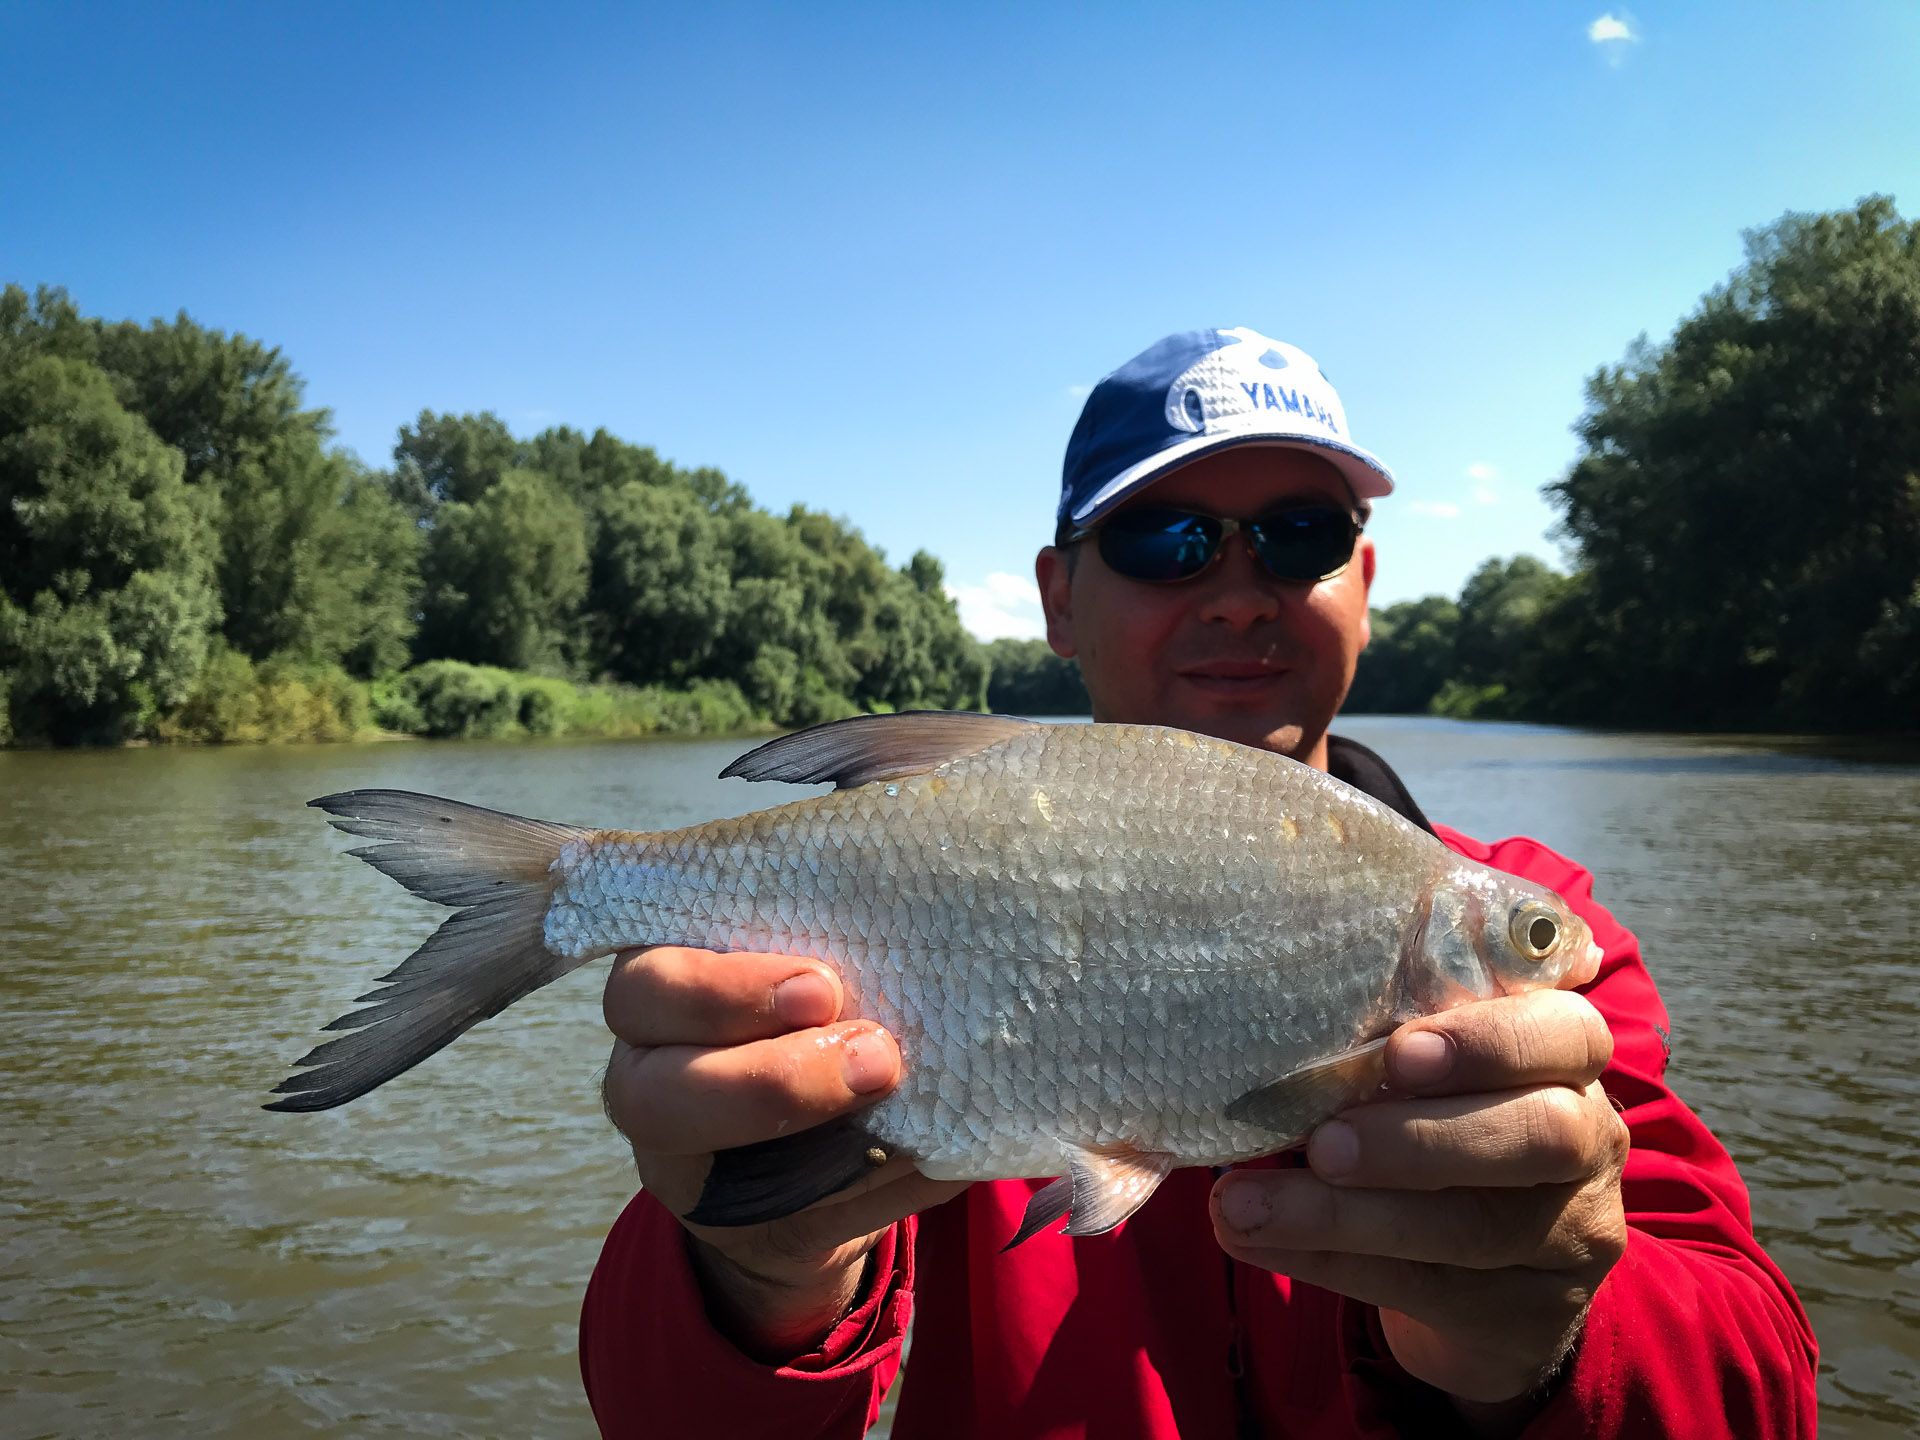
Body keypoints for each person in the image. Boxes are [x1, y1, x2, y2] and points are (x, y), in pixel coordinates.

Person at [580, 328, 1818, 1437]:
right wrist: (751, 1271)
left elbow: (1762, 1389)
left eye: (1299, 535)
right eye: (1163, 541)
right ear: (1059, 600)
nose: (1237, 592)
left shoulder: (1540, 917)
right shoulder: (930, 874)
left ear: (1365, 588)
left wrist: (1546, 1339)